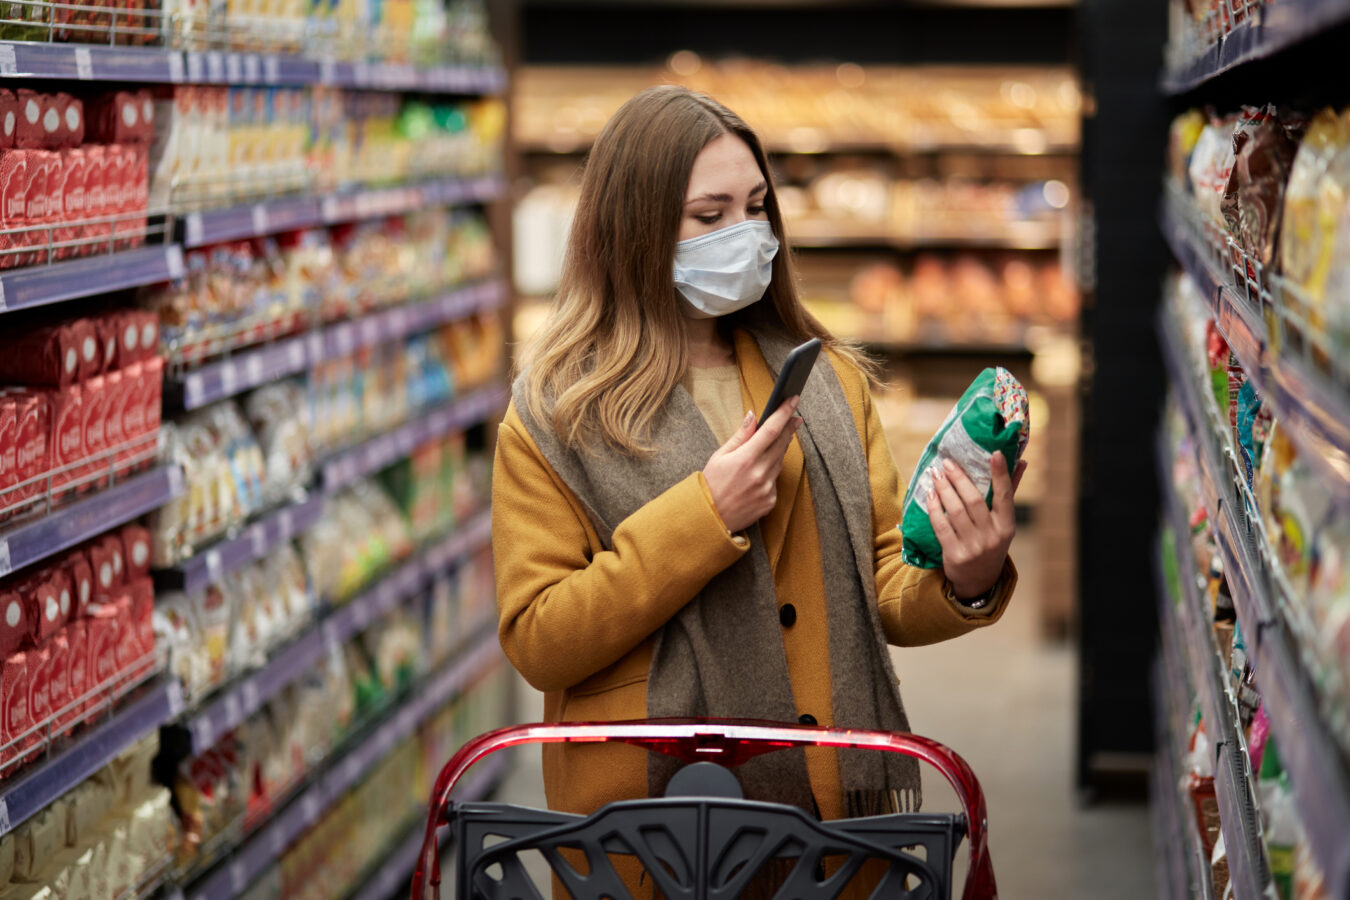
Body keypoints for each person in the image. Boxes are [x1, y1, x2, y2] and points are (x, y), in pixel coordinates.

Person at [491, 84, 1024, 889]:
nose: (744, 235)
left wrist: (966, 579)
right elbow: (539, 637)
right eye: (709, 217)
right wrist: (705, 517)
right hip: (643, 825)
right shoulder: (554, 412)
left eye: (756, 207)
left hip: (823, 813)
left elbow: (882, 581)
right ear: (633, 228)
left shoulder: (826, 379)